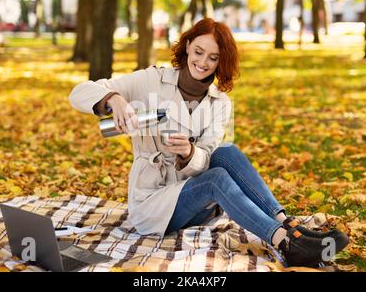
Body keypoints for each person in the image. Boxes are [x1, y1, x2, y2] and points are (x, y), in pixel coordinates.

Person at [68, 18, 349, 267]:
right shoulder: (151, 80)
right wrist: (113, 99)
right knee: (216, 178)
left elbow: (207, 155)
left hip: (196, 203)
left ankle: (289, 227)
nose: (202, 62)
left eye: (212, 58)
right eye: (199, 51)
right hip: (154, 204)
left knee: (226, 151)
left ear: (221, 62)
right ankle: (286, 243)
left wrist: (190, 153)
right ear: (187, 45)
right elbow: (79, 91)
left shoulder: (220, 103)